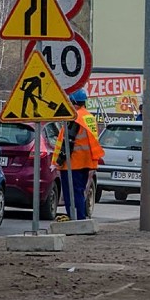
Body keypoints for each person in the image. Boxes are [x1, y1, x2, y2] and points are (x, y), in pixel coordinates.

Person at [52, 88, 104, 220]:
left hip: (73, 163)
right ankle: (78, 218)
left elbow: (67, 142)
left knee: (72, 194)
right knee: (79, 192)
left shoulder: (75, 118)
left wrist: (58, 161)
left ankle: (76, 219)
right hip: (87, 162)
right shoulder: (89, 117)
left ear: (73, 101)